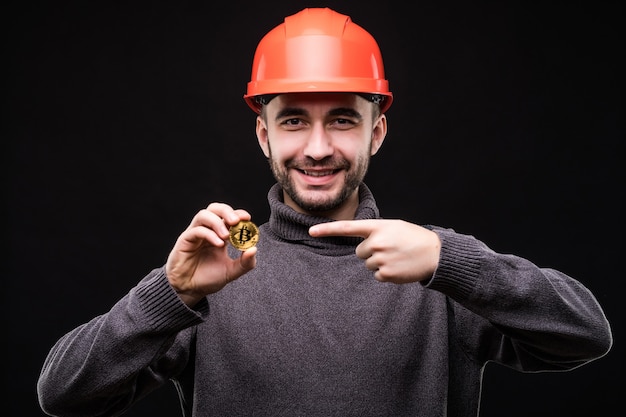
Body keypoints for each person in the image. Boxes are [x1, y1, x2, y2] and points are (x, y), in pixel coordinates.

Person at [37, 7, 612, 417]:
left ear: (376, 132)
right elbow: (64, 394)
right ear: (263, 135)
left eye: (341, 118)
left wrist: (452, 260)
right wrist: (171, 294)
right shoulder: (220, 267)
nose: (317, 147)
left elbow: (585, 335)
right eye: (293, 120)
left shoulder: (435, 266)